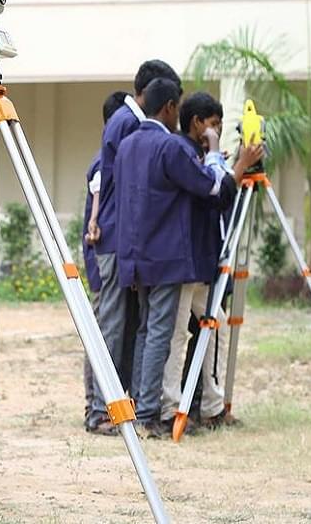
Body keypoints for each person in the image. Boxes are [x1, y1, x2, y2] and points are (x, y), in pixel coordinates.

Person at [115, 79, 258, 437]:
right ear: (169, 108)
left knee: (155, 331)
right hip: (170, 258)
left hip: (140, 254)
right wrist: (229, 161)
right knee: (166, 334)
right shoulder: (170, 147)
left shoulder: (129, 144)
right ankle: (155, 412)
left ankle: (163, 407)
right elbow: (214, 189)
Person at [85, 60, 182, 435]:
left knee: (124, 325)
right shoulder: (129, 123)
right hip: (114, 236)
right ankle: (99, 409)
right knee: (111, 324)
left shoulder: (126, 121)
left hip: (118, 235)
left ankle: (115, 403)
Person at [159, 92, 261, 432]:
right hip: (184, 262)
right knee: (176, 336)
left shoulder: (197, 154)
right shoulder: (181, 151)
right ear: (197, 123)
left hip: (200, 262)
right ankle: (170, 409)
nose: (216, 131)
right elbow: (216, 191)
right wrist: (237, 165)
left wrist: (224, 161)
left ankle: (212, 406)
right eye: (213, 125)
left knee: (215, 324)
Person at [82, 90, 126, 426]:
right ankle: (96, 407)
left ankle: (97, 404)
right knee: (102, 332)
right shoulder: (103, 164)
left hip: (103, 256)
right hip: (100, 257)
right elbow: (96, 211)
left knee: (104, 329)